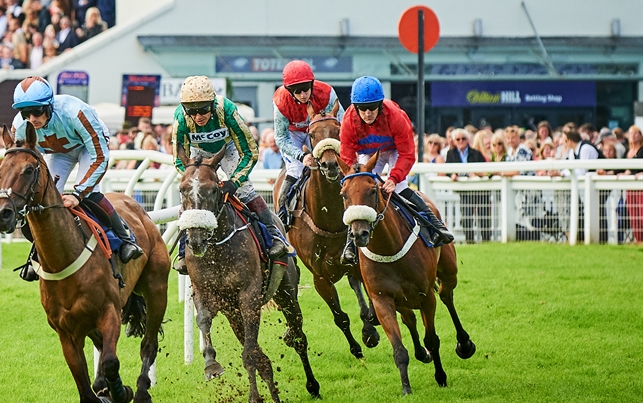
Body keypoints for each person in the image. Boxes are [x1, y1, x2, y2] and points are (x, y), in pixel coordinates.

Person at [11, 76, 142, 282]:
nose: (32, 119)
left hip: (88, 147)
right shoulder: (19, 127)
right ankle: (36, 251)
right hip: (59, 153)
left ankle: (126, 239)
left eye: (36, 111)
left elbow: (99, 156)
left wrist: (78, 194)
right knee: (41, 198)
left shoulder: (75, 112)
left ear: (49, 106)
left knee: (90, 194)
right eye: (25, 113)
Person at [170, 75, 287, 274]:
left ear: (212, 103)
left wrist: (234, 181)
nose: (198, 116)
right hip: (199, 153)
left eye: (203, 109)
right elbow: (180, 160)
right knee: (194, 195)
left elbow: (250, 151)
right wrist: (198, 179)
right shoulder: (180, 119)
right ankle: (183, 251)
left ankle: (275, 237)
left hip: (229, 148)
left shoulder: (228, 111)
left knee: (245, 190)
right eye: (192, 111)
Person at [339, 76, 455, 263]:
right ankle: (350, 244)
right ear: (355, 107)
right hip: (368, 154)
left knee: (399, 187)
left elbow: (408, 154)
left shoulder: (395, 116)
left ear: (380, 105)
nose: (367, 113)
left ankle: (435, 227)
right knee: (359, 192)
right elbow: (346, 156)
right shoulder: (348, 121)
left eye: (372, 107)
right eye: (362, 109)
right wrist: (353, 178)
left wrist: (393, 178)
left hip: (394, 150)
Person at [272, 60, 344, 225]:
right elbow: (281, 138)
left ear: (312, 84)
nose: (303, 95)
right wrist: (302, 155)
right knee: (295, 169)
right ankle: (281, 218)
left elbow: (343, 122)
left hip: (320, 131)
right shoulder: (280, 101)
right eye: (297, 91)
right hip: (294, 134)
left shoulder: (327, 93)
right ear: (289, 91)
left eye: (306, 89)